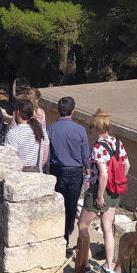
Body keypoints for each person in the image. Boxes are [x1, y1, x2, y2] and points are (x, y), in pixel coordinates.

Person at [82, 109, 130, 273]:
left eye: (90, 127)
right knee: (107, 228)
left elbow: (103, 174)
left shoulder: (98, 147)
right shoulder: (117, 142)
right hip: (114, 189)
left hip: (99, 189)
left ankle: (84, 262)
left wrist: (100, 195)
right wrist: (118, 181)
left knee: (82, 225)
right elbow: (127, 165)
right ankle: (108, 265)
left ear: (96, 127)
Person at [48, 96, 91, 241]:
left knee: (58, 203)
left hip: (57, 170)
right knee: (71, 204)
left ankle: (58, 231)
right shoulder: (80, 130)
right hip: (75, 171)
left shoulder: (51, 129)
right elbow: (85, 155)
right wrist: (88, 172)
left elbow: (48, 152)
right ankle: (69, 230)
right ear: (73, 111)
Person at [6, 98, 48, 173]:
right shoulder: (41, 131)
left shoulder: (14, 132)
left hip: (21, 176)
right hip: (38, 175)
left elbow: (10, 160)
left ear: (17, 112)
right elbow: (44, 158)